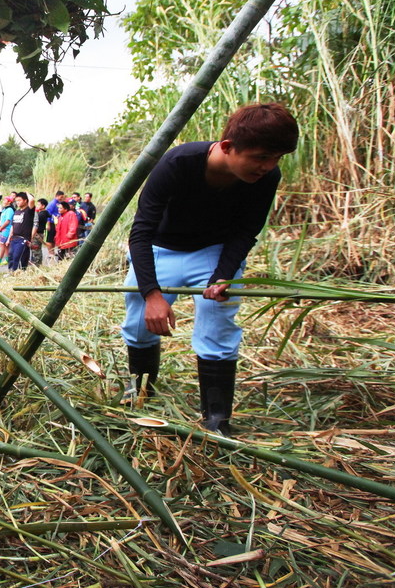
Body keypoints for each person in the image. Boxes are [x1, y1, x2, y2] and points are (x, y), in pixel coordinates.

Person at [121, 103, 299, 435]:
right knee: (139, 320)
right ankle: (140, 390)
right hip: (161, 248)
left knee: (218, 319)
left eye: (277, 158)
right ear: (228, 147)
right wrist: (152, 294)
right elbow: (141, 232)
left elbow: (245, 232)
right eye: (261, 157)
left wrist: (223, 275)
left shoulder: (266, 177)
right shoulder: (177, 163)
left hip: (214, 251)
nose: (268, 166)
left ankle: (217, 417)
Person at [7, 193, 35, 272]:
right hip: (14, 238)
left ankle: (19, 272)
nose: (17, 202)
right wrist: (9, 238)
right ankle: (11, 272)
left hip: (23, 239)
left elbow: (32, 200)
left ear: (25, 200)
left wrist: (26, 193)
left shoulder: (29, 211)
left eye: (19, 200)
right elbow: (13, 225)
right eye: (16, 201)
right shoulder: (16, 212)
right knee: (11, 256)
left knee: (18, 257)